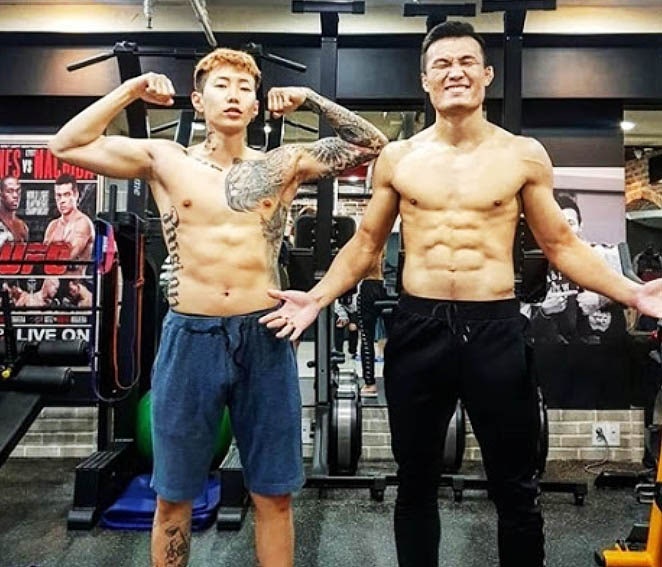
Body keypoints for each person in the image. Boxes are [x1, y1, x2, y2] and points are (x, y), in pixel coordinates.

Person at [260, 21, 662, 567]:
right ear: (425, 80)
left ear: (487, 74)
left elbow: (561, 245)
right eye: (442, 64)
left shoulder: (522, 155)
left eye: (467, 62)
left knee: (516, 488)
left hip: (495, 331)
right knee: (415, 483)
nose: (456, 72)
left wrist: (633, 294)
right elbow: (366, 243)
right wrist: (317, 296)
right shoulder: (398, 157)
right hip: (418, 329)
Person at [48, 47, 387, 567]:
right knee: (173, 496)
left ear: (255, 106)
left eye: (245, 88)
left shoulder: (282, 164)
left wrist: (310, 98)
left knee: (274, 495)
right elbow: (66, 143)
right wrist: (132, 91)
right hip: (191, 338)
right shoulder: (165, 160)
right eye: (221, 85)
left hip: (264, 336)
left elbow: (372, 144)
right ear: (198, 99)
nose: (233, 95)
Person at [529, 194, 627, 345]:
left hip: (603, 348)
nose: (564, 229)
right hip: (557, 351)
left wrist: (600, 300)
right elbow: (527, 329)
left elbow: (630, 296)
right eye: (557, 223)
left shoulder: (603, 254)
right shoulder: (537, 265)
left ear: (581, 225)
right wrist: (545, 311)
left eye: (570, 223)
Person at [43, 173, 94, 275]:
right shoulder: (53, 226)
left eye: (66, 195)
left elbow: (69, 256)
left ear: (76, 195)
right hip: (50, 280)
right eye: (58, 195)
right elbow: (43, 259)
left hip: (74, 282)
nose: (62, 201)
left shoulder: (83, 223)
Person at [357, 248, 389, 397]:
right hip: (387, 287)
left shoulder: (367, 244)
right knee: (394, 337)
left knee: (366, 337)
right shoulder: (387, 245)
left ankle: (370, 384)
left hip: (369, 285)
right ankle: (395, 380)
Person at [0, 175, 29, 245]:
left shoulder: (22, 226)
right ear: (1, 194)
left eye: (18, 191)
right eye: (10, 191)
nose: (15, 196)